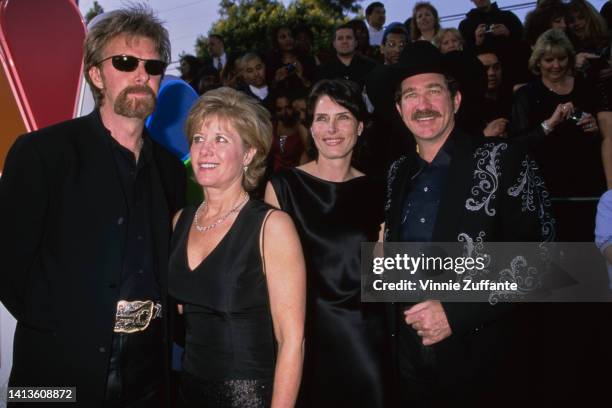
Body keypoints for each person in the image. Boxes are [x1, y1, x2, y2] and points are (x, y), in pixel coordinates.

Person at [0, 5, 187, 406]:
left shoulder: (171, 170)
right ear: (96, 74)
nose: (142, 74)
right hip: (56, 372)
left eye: (153, 66)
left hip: (149, 372)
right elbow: (8, 264)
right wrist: (65, 325)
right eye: (125, 61)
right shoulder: (42, 153)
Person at [385, 41, 553, 406]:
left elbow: (543, 260)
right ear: (399, 109)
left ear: (455, 100)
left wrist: (455, 312)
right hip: (406, 365)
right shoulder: (396, 173)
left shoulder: (505, 159)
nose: (423, 104)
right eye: (411, 95)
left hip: (482, 361)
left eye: (434, 91)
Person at [169, 87, 306, 407]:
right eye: (199, 138)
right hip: (187, 391)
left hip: (248, 398)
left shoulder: (272, 227)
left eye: (221, 140)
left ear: (249, 154)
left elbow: (292, 342)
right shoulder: (181, 221)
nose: (205, 150)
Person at [265, 79, 391, 407]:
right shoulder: (283, 188)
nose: (331, 128)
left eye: (343, 117)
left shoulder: (382, 191)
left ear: (360, 127)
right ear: (311, 127)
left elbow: (389, 279)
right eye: (322, 118)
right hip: (303, 349)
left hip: (367, 345)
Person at [510, 28, 605, 241]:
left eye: (562, 58)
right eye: (549, 59)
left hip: (587, 184)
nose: (556, 65)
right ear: (538, 62)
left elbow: (605, 137)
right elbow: (517, 144)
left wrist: (595, 129)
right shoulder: (526, 95)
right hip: (546, 187)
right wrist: (548, 125)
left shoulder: (586, 87)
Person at [315, 24, 377, 88]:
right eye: (340, 38)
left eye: (349, 38)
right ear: (334, 44)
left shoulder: (371, 67)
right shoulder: (322, 70)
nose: (345, 41)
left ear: (356, 43)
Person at [269, 92, 310, 173]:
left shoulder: (300, 128)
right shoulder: (272, 126)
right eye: (279, 109)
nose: (284, 112)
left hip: (296, 176)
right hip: (276, 176)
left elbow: (309, 154)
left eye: (288, 108)